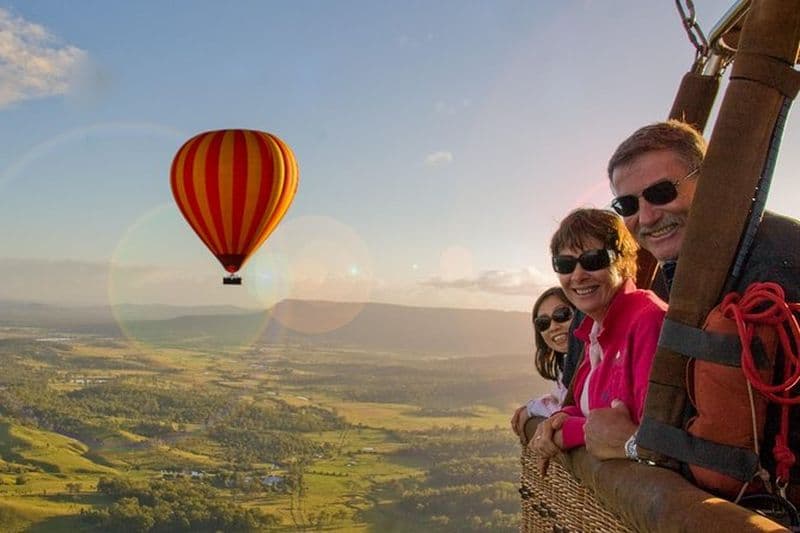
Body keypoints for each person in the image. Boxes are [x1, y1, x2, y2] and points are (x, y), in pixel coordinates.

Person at [590, 120, 799, 498]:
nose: (647, 217)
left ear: (711, 182)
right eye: (628, 204)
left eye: (661, 192)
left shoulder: (779, 266)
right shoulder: (684, 274)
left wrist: (637, 445)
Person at [530, 208, 667, 471]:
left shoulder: (647, 321)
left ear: (624, 262)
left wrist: (566, 433)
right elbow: (591, 411)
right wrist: (558, 419)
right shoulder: (592, 332)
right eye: (565, 265)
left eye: (593, 260)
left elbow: (643, 432)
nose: (578, 275)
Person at [510, 287, 576, 439]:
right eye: (543, 323)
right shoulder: (565, 368)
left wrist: (531, 409)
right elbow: (561, 400)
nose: (553, 326)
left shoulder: (596, 363)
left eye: (562, 315)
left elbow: (564, 410)